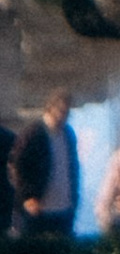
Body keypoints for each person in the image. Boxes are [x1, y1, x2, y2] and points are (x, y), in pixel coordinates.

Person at [14, 94, 77, 236]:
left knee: (62, 253)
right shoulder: (33, 133)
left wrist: (74, 200)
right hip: (39, 208)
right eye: (61, 111)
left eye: (67, 113)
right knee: (36, 253)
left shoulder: (68, 134)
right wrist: (27, 197)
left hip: (63, 208)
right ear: (50, 108)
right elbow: (18, 165)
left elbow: (72, 169)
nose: (64, 117)